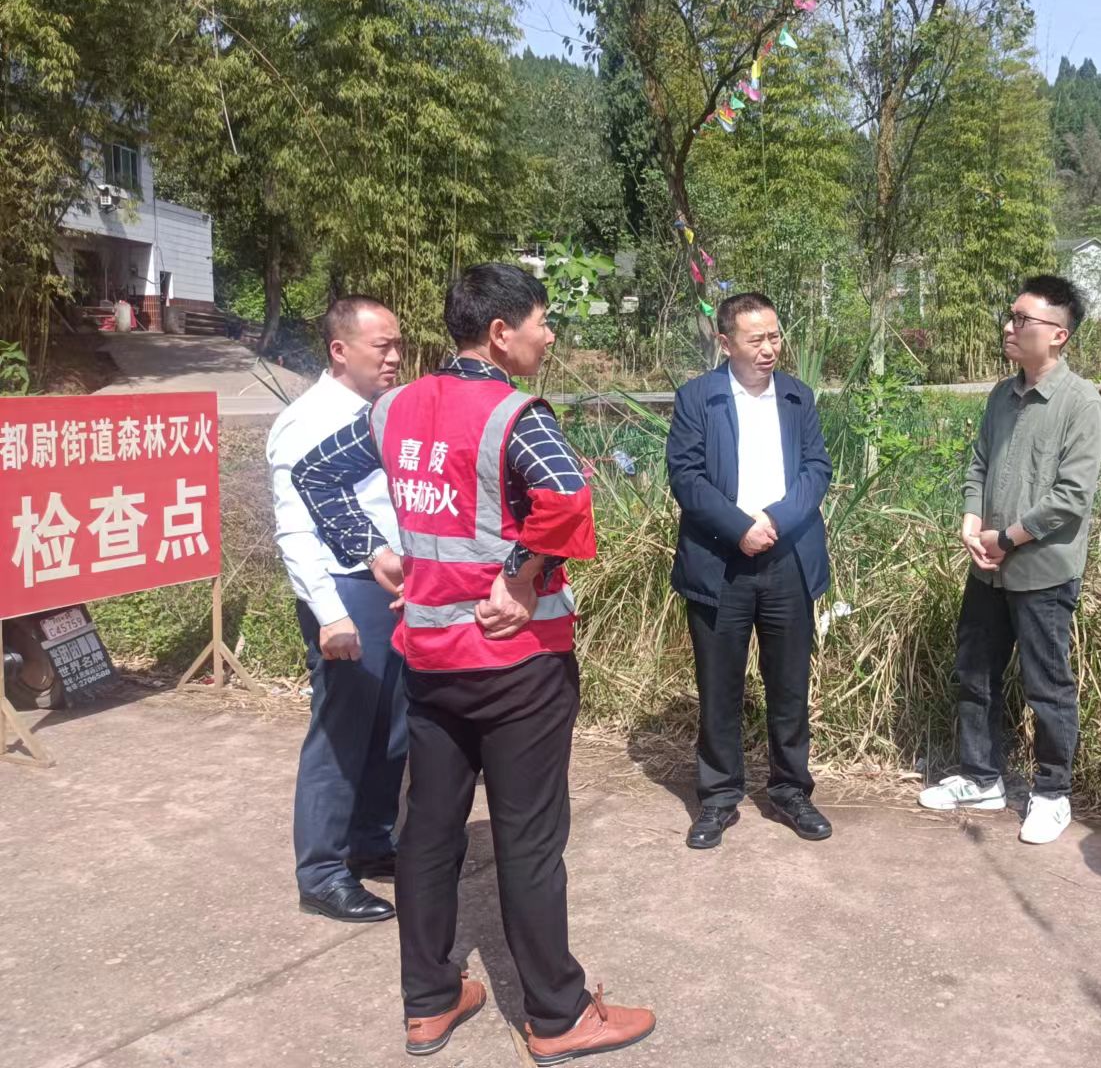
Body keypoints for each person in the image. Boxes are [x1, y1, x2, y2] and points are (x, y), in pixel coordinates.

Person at [293, 264, 654, 1062]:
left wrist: (372, 551)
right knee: (528, 839)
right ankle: (557, 1016)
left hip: (430, 663)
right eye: (541, 321)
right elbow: (567, 496)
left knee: (427, 833)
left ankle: (428, 1002)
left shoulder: (394, 407)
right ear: (499, 332)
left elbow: (316, 474)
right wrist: (520, 577)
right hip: (518, 663)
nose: (548, 336)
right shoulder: (513, 414)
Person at [918, 275, 1101, 845]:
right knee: (974, 671)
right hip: (988, 565)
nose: (1009, 327)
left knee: (1046, 684)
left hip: (1042, 571)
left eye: (1022, 319)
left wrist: (1009, 538)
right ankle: (982, 778)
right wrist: (971, 519)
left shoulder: (1082, 404)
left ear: (1058, 335)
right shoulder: (1001, 396)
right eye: (1010, 316)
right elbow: (979, 464)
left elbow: (1071, 497)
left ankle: (1052, 793)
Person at [665, 292, 833, 850]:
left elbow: (816, 468)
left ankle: (791, 790)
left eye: (775, 336)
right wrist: (739, 527)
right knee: (719, 685)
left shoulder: (797, 396)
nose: (769, 348)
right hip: (720, 562)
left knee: (789, 685)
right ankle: (718, 796)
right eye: (756, 338)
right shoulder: (698, 398)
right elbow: (686, 476)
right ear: (725, 342)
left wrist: (777, 520)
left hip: (788, 558)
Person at [268, 296, 407, 924]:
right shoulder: (307, 421)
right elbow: (295, 531)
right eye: (382, 346)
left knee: (392, 730)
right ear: (340, 350)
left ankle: (372, 841)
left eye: (398, 344)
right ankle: (322, 873)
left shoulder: (384, 412)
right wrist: (330, 614)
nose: (395, 357)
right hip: (346, 592)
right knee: (341, 734)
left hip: (394, 589)